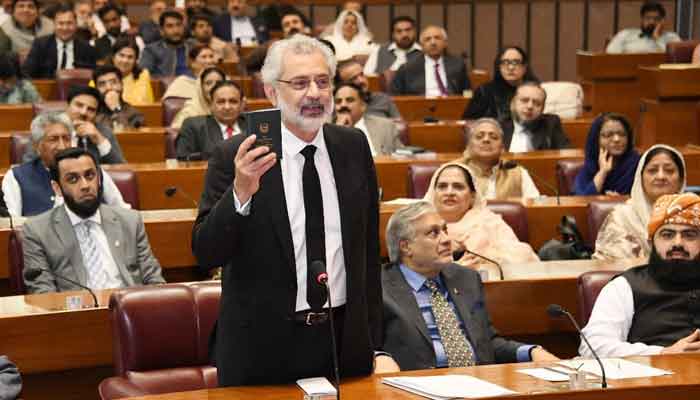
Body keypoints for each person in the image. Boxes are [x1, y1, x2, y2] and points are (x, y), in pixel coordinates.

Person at [192, 34, 394, 386]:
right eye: (300, 83)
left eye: (322, 82)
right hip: (262, 349)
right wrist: (241, 192)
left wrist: (373, 341)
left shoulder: (352, 146)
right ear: (272, 93)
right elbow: (206, 251)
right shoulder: (236, 155)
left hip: (343, 342)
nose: (314, 94)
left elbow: (367, 252)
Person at [383, 201, 558, 370]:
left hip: (478, 383)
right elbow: (364, 347)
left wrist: (530, 352)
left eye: (445, 230)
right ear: (406, 247)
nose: (446, 240)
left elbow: (486, 343)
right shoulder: (379, 288)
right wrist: (378, 357)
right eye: (433, 233)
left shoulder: (466, 279)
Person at [22, 147, 165, 294]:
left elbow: (153, 278)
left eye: (90, 175)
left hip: (130, 309)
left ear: (99, 179)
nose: (85, 185)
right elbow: (43, 293)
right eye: (73, 179)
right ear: (57, 188)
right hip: (77, 313)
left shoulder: (130, 221)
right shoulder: (37, 231)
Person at [581, 192, 700, 358]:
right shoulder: (624, 287)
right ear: (651, 242)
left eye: (689, 235)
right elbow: (592, 347)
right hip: (653, 380)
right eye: (667, 235)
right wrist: (662, 353)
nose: (678, 243)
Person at [2, 111, 128, 217]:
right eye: (53, 139)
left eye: (66, 138)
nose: (62, 146)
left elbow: (123, 212)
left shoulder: (94, 171)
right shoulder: (16, 177)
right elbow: (13, 225)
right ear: (37, 146)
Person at [423, 163, 539, 277]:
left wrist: (481, 258)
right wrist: (454, 269)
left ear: (473, 195)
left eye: (458, 187)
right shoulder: (420, 225)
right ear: (434, 193)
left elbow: (523, 256)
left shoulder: (489, 222)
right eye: (442, 186)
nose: (449, 192)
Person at [593, 144, 686, 261]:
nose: (661, 176)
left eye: (669, 171)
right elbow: (613, 264)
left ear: (681, 179)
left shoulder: (693, 213)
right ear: (640, 178)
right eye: (652, 171)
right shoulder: (623, 217)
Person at [457, 118, 540, 200]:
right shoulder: (453, 170)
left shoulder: (517, 173)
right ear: (468, 146)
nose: (486, 140)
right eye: (479, 137)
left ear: (502, 148)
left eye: (494, 137)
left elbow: (534, 204)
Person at [462, 46, 538, 121]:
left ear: (524, 67)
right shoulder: (484, 91)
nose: (511, 67)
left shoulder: (535, 91)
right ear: (499, 67)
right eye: (505, 62)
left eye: (516, 62)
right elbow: (469, 122)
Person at [21, 3, 96, 79]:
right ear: (54, 25)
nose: (65, 28)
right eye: (61, 23)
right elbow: (27, 73)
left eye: (69, 23)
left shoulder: (87, 48)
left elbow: (93, 77)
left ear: (76, 25)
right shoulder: (41, 45)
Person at [390, 25, 470, 96]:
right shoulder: (407, 68)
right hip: (419, 108)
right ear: (421, 45)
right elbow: (396, 96)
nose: (433, 42)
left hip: (451, 107)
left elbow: (467, 92)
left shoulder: (457, 65)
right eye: (427, 39)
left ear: (445, 43)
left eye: (437, 38)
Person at [176, 80, 246, 160]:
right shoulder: (194, 126)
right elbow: (183, 158)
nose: (227, 107)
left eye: (233, 101)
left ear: (241, 105)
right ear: (211, 105)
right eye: (221, 102)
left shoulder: (252, 125)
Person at [573, 113, 641, 196]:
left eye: (622, 134)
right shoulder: (589, 168)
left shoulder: (639, 165)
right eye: (608, 135)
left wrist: (624, 200)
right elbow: (581, 201)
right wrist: (603, 172)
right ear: (595, 140)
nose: (617, 139)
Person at [333, 82, 403, 155]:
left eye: (350, 100)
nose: (343, 105)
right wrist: (338, 131)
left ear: (363, 106)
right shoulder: (326, 131)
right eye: (338, 102)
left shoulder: (385, 126)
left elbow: (401, 157)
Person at [63, 85, 126, 164]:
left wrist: (99, 139)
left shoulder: (103, 132)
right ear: (67, 106)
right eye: (79, 105)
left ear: (96, 115)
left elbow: (121, 168)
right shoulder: (53, 128)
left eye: (91, 109)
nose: (84, 112)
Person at [500, 82, 570, 152]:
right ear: (513, 103)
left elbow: (567, 154)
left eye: (537, 103)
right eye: (524, 100)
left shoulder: (550, 124)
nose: (530, 106)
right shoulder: (500, 126)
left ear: (542, 109)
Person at [606, 1, 680, 54]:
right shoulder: (626, 34)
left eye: (656, 19)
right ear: (641, 19)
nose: (651, 22)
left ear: (663, 21)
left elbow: (673, 59)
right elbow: (610, 54)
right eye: (648, 18)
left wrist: (657, 38)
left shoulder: (672, 38)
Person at [336, 59, 400, 119]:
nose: (361, 81)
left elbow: (400, 126)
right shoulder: (339, 107)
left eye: (362, 75)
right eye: (353, 79)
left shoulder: (382, 99)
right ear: (342, 85)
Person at [139, 10, 192, 78]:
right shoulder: (151, 50)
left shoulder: (193, 47)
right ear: (161, 30)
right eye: (170, 26)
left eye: (178, 25)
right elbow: (143, 74)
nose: (175, 30)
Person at [93, 65, 145, 131]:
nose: (108, 88)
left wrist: (116, 109)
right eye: (102, 84)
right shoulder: (91, 112)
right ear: (96, 89)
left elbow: (128, 138)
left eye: (113, 82)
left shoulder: (135, 114)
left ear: (121, 85)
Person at [110, 38, 154, 105]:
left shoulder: (143, 75)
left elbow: (143, 103)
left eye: (130, 57)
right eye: (121, 55)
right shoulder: (101, 75)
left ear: (135, 60)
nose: (125, 61)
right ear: (113, 57)